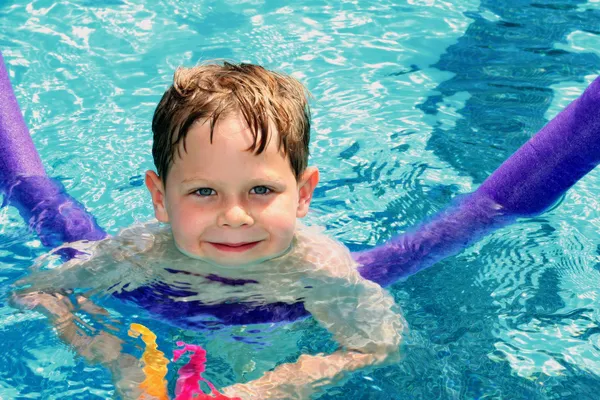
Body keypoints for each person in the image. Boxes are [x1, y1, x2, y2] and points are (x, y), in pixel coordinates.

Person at [13, 62, 406, 399]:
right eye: (204, 191)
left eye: (261, 190)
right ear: (161, 198)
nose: (234, 216)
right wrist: (113, 356)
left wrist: (274, 387)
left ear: (302, 195)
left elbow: (377, 344)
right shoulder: (141, 251)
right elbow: (36, 291)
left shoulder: (317, 269)